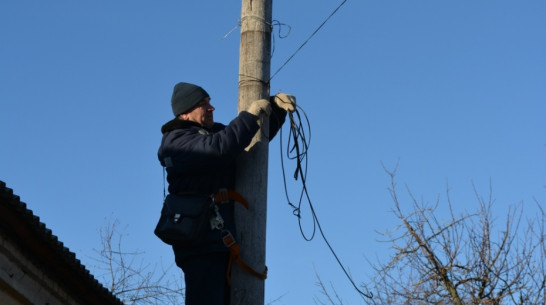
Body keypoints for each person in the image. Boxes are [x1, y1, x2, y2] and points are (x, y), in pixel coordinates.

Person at [157, 82, 295, 305]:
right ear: (185, 112)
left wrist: (274, 109)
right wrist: (249, 115)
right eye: (203, 104)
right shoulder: (176, 141)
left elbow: (244, 139)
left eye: (209, 102)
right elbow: (218, 148)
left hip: (219, 241)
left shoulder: (211, 134)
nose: (211, 108)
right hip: (200, 245)